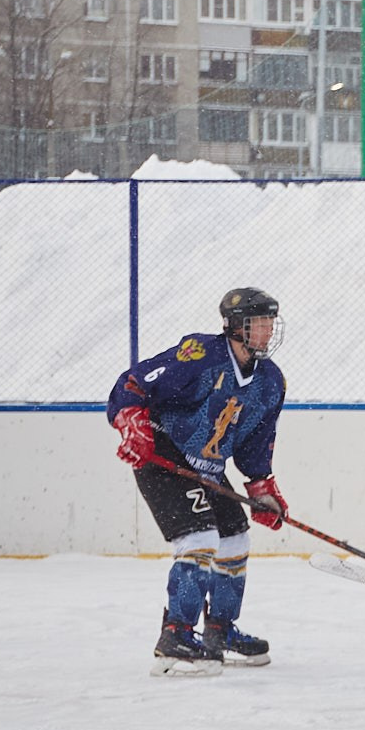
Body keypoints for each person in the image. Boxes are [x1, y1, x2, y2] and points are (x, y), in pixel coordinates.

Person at [105, 287, 289, 674]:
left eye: (271, 322)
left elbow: (255, 440)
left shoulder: (270, 381)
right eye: (260, 323)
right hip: (163, 455)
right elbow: (134, 383)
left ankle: (219, 631)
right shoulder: (201, 355)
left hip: (206, 466)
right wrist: (132, 423)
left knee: (235, 536)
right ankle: (175, 636)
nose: (268, 331)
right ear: (237, 327)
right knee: (199, 538)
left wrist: (260, 485)